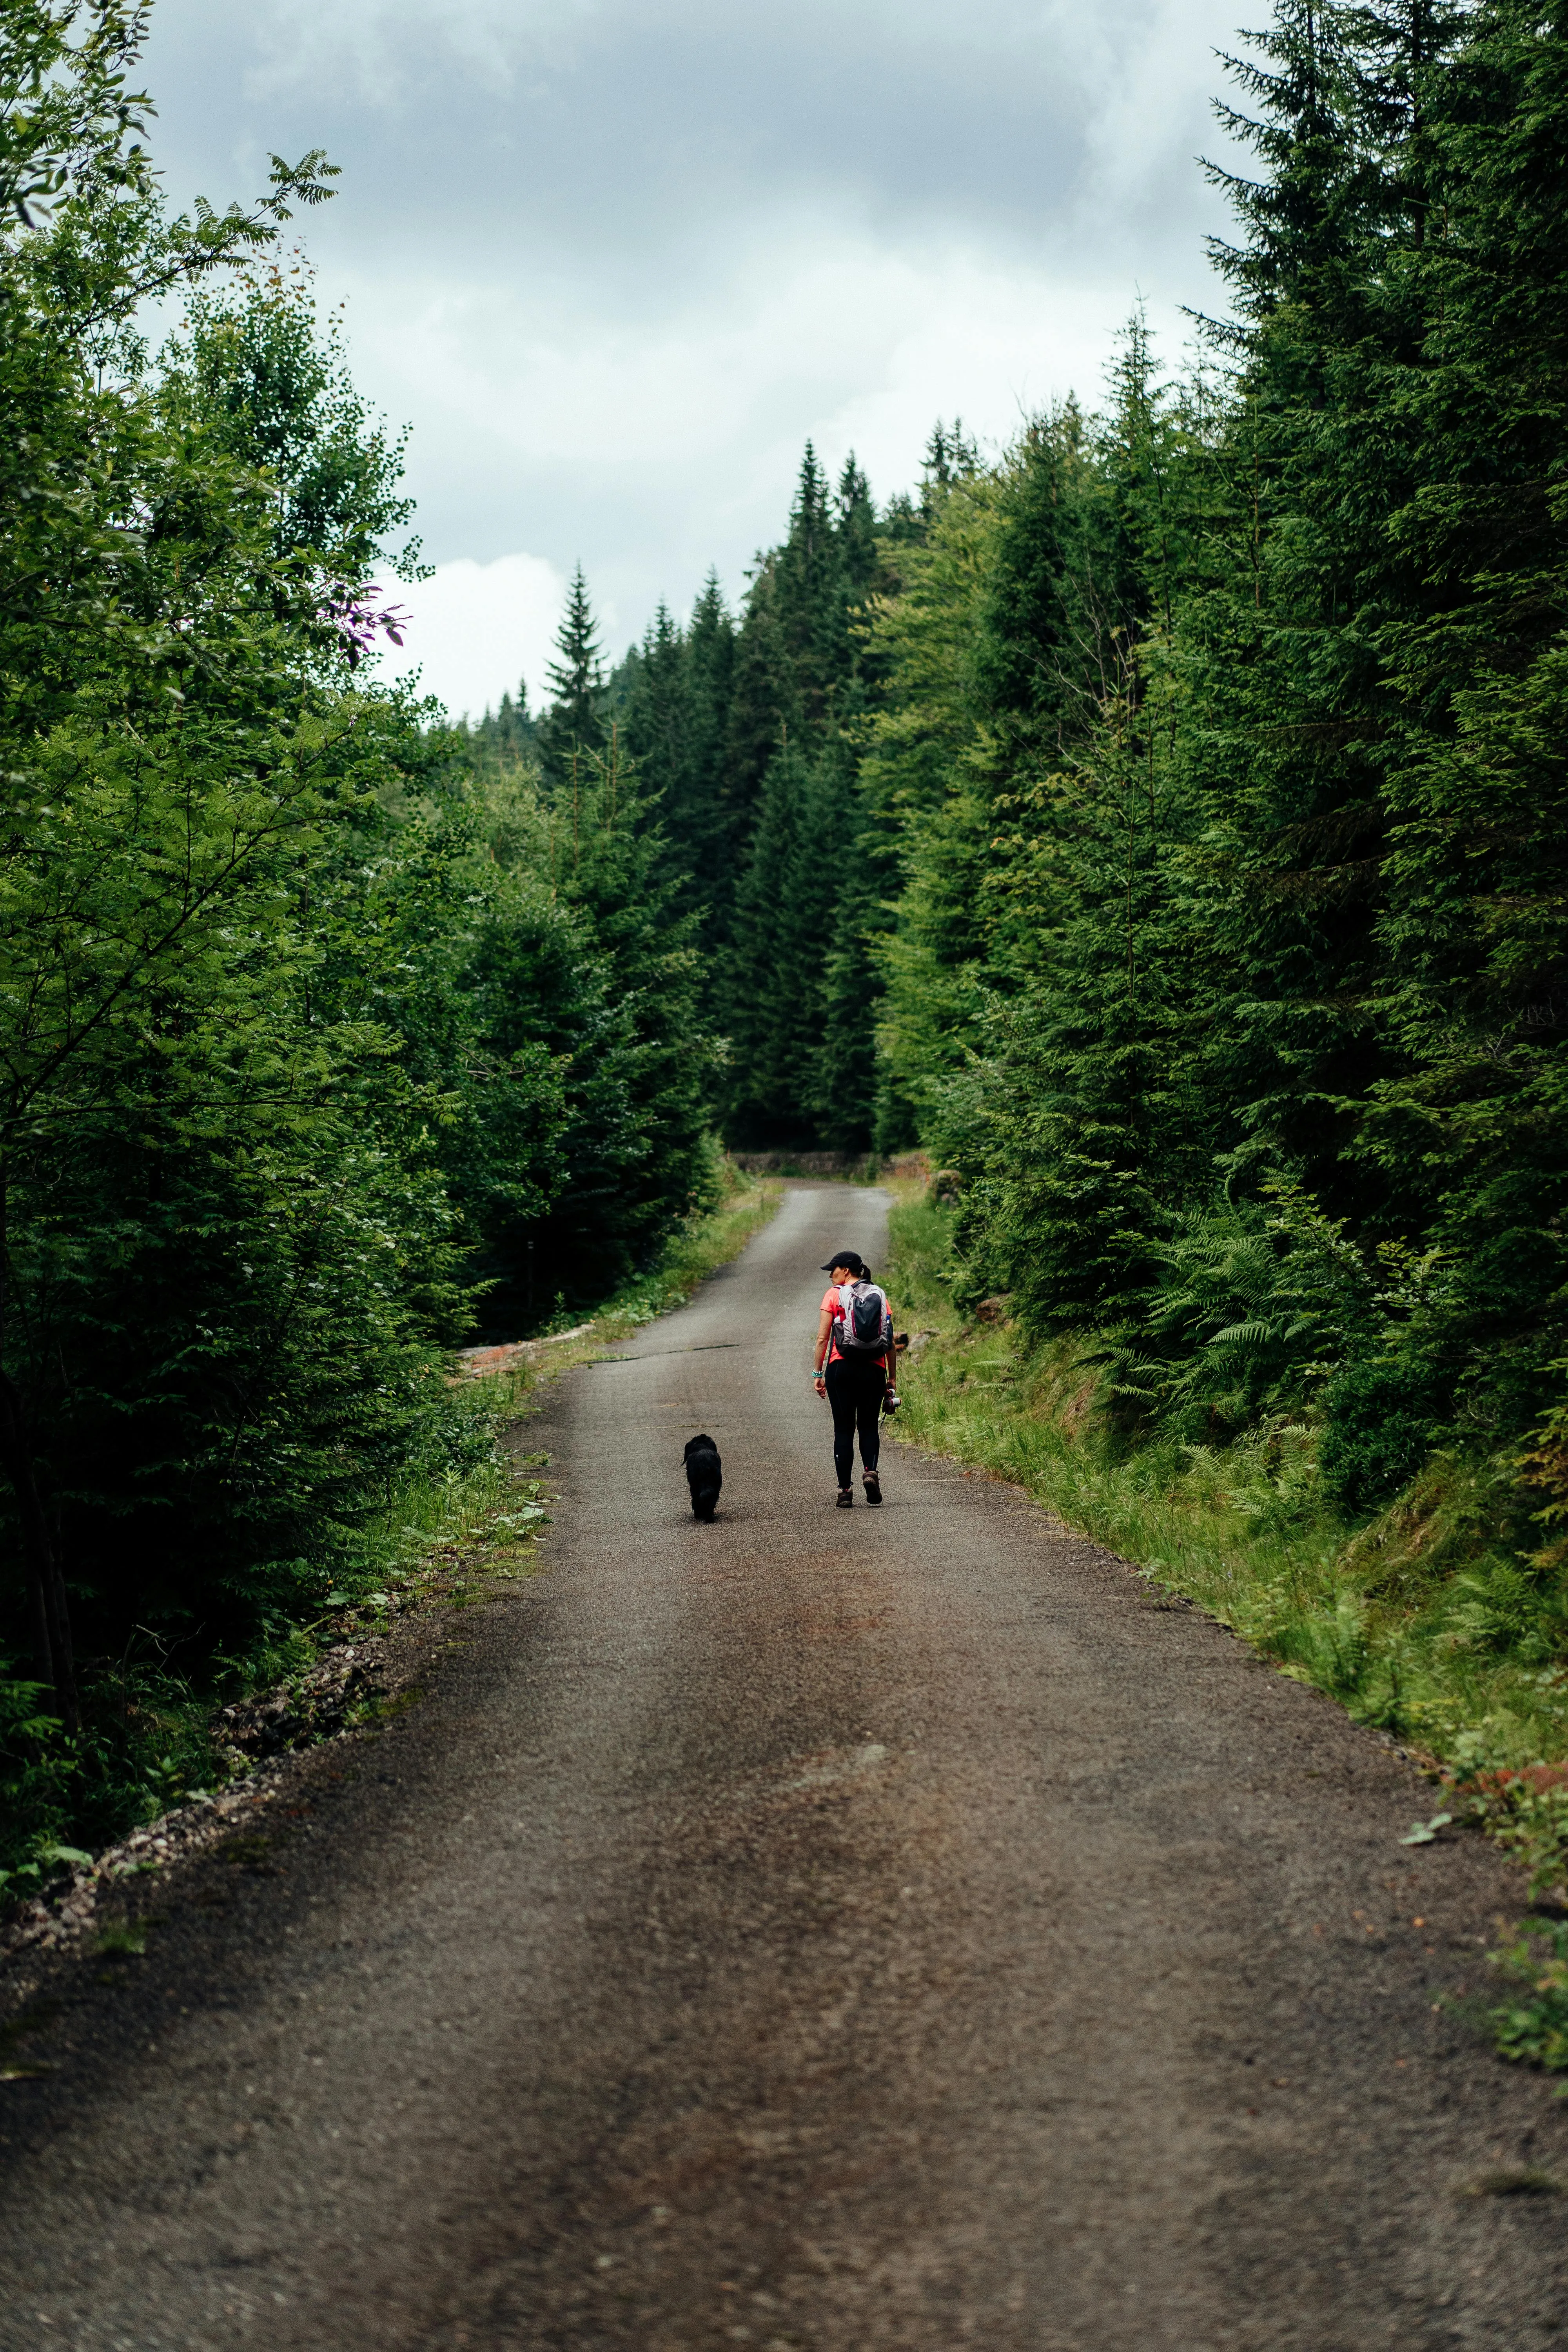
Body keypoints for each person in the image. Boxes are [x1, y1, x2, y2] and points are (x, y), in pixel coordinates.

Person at [813, 1249, 899, 1508]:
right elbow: (890, 1341)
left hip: (841, 1368)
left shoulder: (834, 1294)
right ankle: (870, 1472)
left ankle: (845, 1491)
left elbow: (822, 1338)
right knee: (869, 1426)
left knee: (843, 1429)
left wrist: (818, 1374)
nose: (830, 1275)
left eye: (833, 1270)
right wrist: (891, 1378)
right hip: (873, 1369)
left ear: (846, 1270)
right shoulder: (878, 1294)